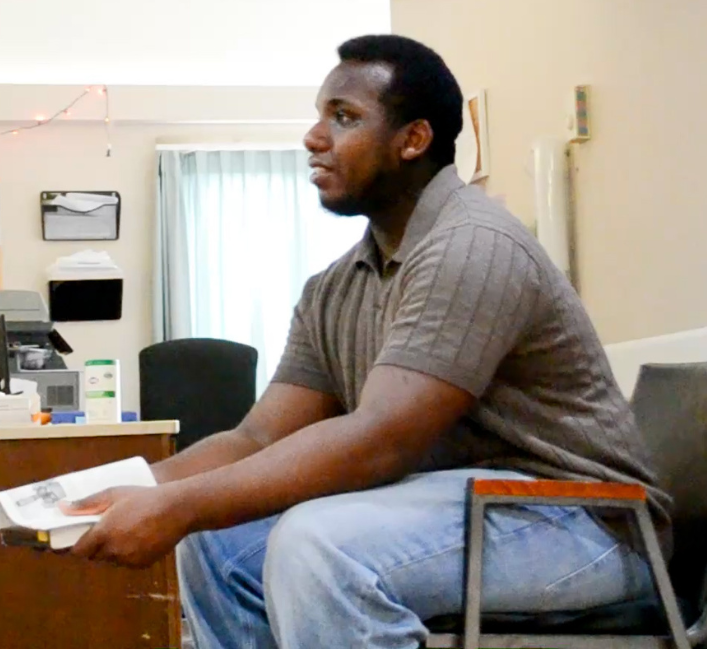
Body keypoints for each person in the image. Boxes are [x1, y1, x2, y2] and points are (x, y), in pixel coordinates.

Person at [64, 35, 670, 649]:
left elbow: (383, 439)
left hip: (586, 523)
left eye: (344, 117)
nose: (313, 137)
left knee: (319, 546)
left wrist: (181, 505)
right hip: (468, 506)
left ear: (413, 140)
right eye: (320, 115)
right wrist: (141, 489)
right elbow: (258, 438)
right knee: (219, 545)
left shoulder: (472, 247)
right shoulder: (335, 288)